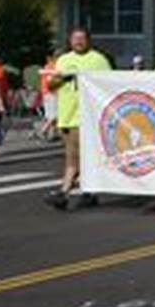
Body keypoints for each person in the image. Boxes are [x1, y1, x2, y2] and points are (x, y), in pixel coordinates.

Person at [45, 28, 112, 210]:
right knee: (80, 157)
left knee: (74, 158)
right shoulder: (64, 60)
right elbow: (50, 85)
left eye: (82, 38)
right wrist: (61, 79)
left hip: (88, 116)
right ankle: (89, 192)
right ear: (69, 41)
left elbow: (110, 85)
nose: (78, 42)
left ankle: (64, 192)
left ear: (88, 40)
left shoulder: (98, 60)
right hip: (67, 115)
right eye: (75, 39)